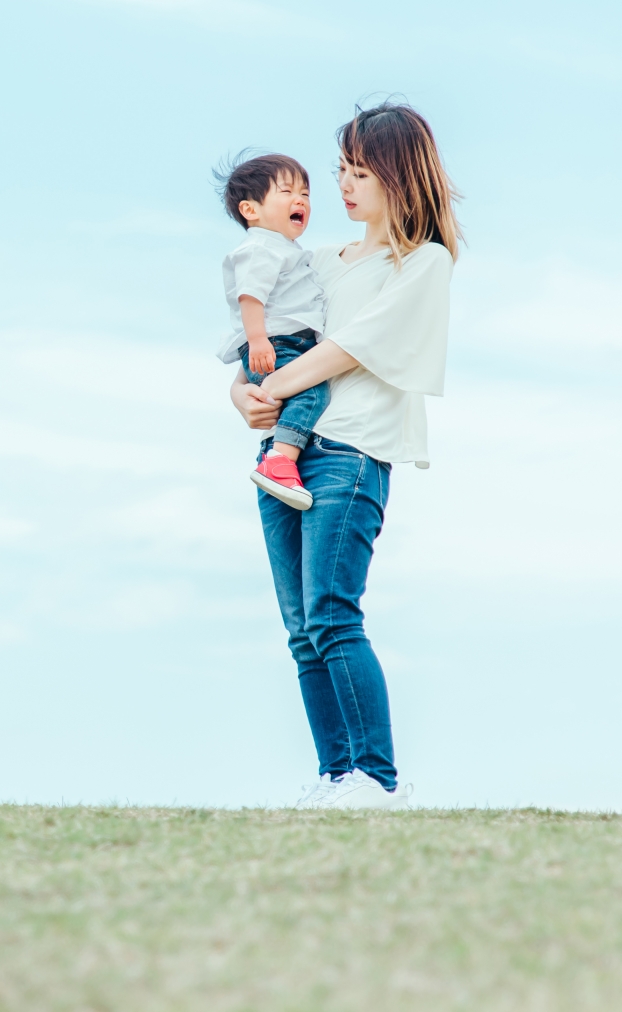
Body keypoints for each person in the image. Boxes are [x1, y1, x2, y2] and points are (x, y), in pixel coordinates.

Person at [230, 102, 459, 811]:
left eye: (360, 172)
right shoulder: (317, 262)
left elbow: (349, 347)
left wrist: (275, 384)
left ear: (398, 175)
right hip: (283, 454)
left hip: (350, 454)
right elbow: (271, 337)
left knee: (333, 614)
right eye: (340, 172)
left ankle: (376, 779)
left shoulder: (422, 264)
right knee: (303, 632)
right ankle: (337, 780)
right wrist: (242, 394)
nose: (343, 186)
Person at [214, 153, 330, 511]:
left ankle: (280, 458)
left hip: (285, 341)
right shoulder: (261, 246)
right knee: (311, 393)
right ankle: (280, 460)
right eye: (286, 191)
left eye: (306, 194)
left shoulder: (283, 248)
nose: (300, 200)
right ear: (251, 210)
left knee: (301, 395)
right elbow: (250, 296)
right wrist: (258, 339)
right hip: (278, 342)